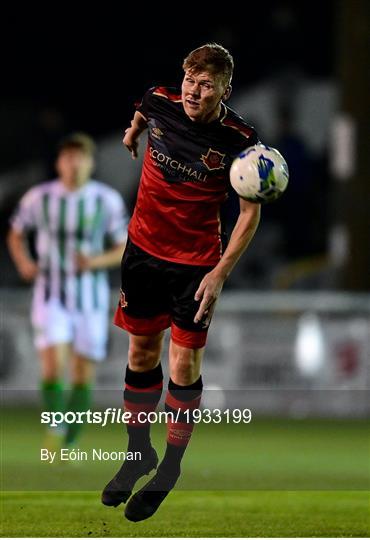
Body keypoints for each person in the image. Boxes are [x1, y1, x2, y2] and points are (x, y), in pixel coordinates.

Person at [101, 43, 260, 522]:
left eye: (205, 83)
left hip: (194, 265)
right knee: (140, 353)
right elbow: (140, 112)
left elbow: (249, 213)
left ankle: (168, 469)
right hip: (143, 252)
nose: (194, 89)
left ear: (224, 90)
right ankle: (138, 454)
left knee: (183, 363)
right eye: (190, 79)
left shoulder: (241, 141)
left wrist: (219, 272)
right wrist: (132, 135)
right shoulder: (158, 101)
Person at [7, 133, 128, 451]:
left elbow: (122, 246)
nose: (74, 164)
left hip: (90, 297)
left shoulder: (106, 199)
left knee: (82, 374)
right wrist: (23, 262)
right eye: (69, 157)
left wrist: (95, 261)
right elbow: (16, 233)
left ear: (91, 162)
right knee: (51, 365)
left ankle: (70, 442)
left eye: (81, 157)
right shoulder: (40, 197)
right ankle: (56, 431)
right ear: (60, 162)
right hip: (50, 294)